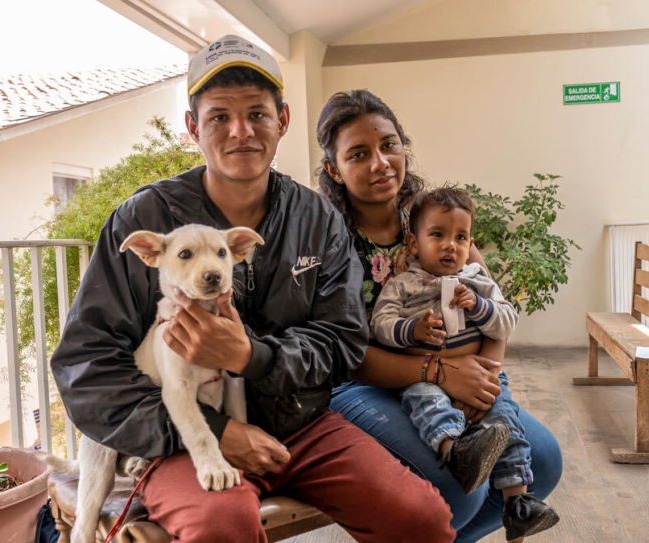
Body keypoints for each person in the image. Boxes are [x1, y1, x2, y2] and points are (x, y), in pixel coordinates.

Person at [50, 36, 455, 543]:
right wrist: (215, 432)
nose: (240, 131)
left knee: (422, 520)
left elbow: (343, 341)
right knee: (224, 526)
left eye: (257, 114)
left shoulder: (316, 219)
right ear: (193, 127)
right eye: (219, 117)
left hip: (300, 426)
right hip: (183, 437)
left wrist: (253, 355)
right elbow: (85, 366)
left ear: (282, 120)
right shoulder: (145, 219)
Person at [317, 88, 564, 542]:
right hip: (367, 382)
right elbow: (345, 355)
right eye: (358, 153)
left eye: (389, 145)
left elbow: (487, 290)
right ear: (334, 168)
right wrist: (442, 373)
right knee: (459, 486)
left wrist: (484, 376)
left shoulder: (434, 215)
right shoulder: (329, 241)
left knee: (544, 461)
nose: (380, 162)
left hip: (461, 369)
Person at [370, 186, 559, 540]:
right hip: (423, 376)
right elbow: (380, 325)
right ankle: (454, 450)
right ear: (413, 244)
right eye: (437, 235)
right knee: (427, 403)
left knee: (504, 418)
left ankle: (517, 502)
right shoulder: (403, 285)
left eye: (460, 237)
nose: (449, 245)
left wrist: (479, 306)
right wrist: (413, 329)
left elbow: (506, 320)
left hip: (479, 375)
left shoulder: (477, 282)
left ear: (470, 242)